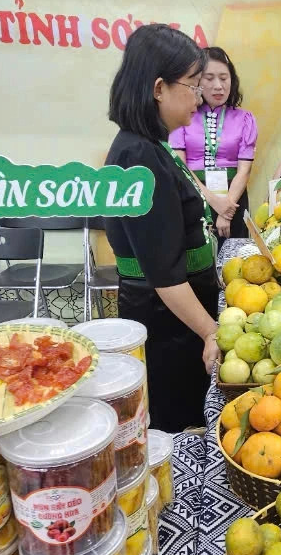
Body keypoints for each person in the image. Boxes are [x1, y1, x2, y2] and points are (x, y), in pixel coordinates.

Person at [101, 24, 221, 433]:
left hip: (176, 321)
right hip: (167, 326)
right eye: (192, 84)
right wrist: (211, 332)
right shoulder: (139, 157)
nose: (199, 96)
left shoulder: (151, 146)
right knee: (174, 429)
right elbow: (165, 275)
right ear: (158, 88)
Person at [169, 47, 257, 243]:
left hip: (234, 202)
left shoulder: (245, 119)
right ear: (197, 81)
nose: (218, 86)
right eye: (209, 78)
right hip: (194, 196)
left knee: (235, 266)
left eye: (224, 78)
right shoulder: (182, 118)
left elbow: (244, 171)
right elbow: (180, 167)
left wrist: (226, 211)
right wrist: (212, 201)